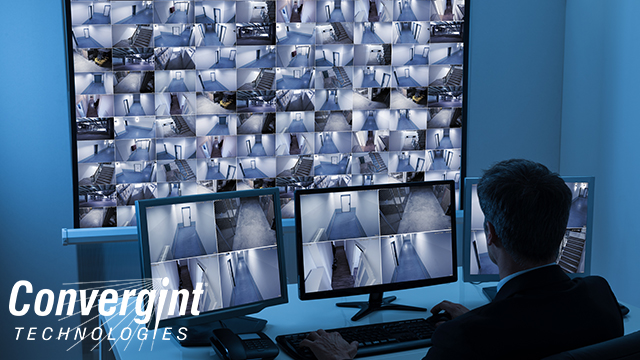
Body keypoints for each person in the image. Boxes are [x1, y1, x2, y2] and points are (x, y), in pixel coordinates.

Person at [300, 159, 624, 359]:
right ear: (559, 230)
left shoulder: (464, 339)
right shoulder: (600, 296)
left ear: (491, 234)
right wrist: (476, 320)